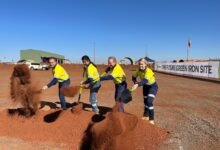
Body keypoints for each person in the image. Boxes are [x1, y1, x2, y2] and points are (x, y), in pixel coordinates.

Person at [131, 58, 158, 125]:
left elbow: (144, 81)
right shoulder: (138, 70)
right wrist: (135, 82)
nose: (141, 66)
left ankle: (151, 119)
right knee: (145, 101)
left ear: (145, 64)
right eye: (140, 64)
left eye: (142, 64)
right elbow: (133, 77)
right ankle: (146, 116)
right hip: (145, 87)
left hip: (152, 87)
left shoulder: (149, 71)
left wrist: (137, 84)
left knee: (149, 101)